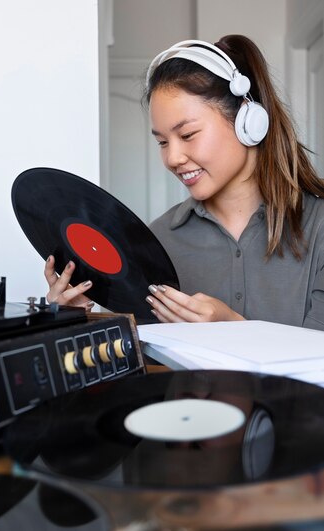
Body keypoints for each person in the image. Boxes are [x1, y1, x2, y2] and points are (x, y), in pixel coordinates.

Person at [45, 34, 324, 329]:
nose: (173, 158)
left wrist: (235, 328)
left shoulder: (319, 225)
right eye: (163, 142)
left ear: (248, 122)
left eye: (188, 135)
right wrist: (77, 321)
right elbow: (146, 363)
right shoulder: (155, 242)